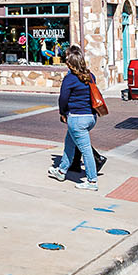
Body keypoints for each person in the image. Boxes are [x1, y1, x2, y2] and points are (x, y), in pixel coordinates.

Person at [48, 44, 104, 188]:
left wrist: (63, 113)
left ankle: (92, 181)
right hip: (91, 117)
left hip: (77, 118)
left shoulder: (70, 79)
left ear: (70, 63)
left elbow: (63, 99)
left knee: (85, 151)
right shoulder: (90, 76)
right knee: (69, 144)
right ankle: (61, 170)